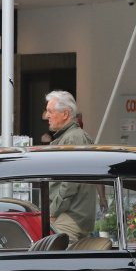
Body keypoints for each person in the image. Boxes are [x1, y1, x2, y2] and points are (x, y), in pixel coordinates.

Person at [41, 90, 98, 243]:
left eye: (50, 111)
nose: (46, 116)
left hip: (70, 216)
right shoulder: (71, 137)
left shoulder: (74, 138)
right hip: (70, 214)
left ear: (65, 114)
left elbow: (70, 182)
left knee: (51, 254)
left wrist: (53, 212)